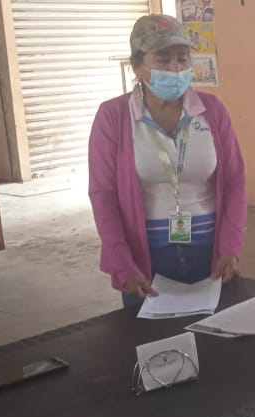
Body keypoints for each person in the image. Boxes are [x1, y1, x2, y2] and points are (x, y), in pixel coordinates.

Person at [89, 14, 247, 307]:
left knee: (215, 331)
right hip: (145, 260)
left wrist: (230, 247)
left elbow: (235, 182)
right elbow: (103, 195)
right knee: (150, 334)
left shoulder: (212, 111)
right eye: (163, 59)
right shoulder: (113, 117)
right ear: (137, 65)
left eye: (182, 58)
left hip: (209, 253)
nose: (175, 68)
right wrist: (122, 263)